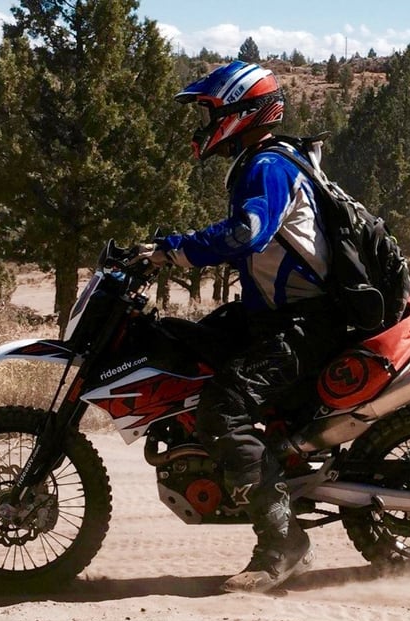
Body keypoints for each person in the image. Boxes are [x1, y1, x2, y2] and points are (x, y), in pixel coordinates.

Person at [136, 60, 347, 593]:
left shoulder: (269, 166)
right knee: (189, 346)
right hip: (272, 314)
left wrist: (175, 251)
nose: (205, 125)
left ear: (241, 111)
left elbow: (247, 232)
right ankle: (247, 461)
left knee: (223, 407)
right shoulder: (265, 159)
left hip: (302, 321)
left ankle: (283, 541)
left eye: (211, 112)